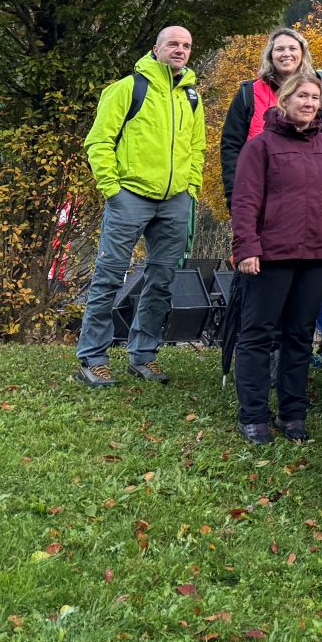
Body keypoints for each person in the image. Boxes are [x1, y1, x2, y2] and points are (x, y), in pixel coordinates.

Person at [74, 26, 206, 389]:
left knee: (161, 281)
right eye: (173, 44)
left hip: (176, 200)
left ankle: (143, 355)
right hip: (129, 195)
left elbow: (198, 148)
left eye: (186, 46)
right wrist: (112, 190)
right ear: (157, 48)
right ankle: (93, 358)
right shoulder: (128, 88)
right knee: (109, 276)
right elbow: (98, 141)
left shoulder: (192, 96)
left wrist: (191, 188)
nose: (180, 50)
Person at [229, 70, 322, 443]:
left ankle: (292, 413)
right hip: (271, 255)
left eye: (315, 98)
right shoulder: (261, 147)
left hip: (318, 254)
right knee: (256, 335)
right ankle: (252, 414)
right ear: (285, 101)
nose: (309, 103)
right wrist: (246, 247)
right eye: (302, 96)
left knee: (299, 336)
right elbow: (245, 200)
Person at [218, 27, 313, 207]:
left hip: (304, 194)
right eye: (280, 49)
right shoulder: (249, 93)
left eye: (293, 48)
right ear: (270, 55)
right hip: (258, 193)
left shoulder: (316, 92)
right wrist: (234, 194)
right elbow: (231, 145)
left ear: (302, 53)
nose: (286, 54)